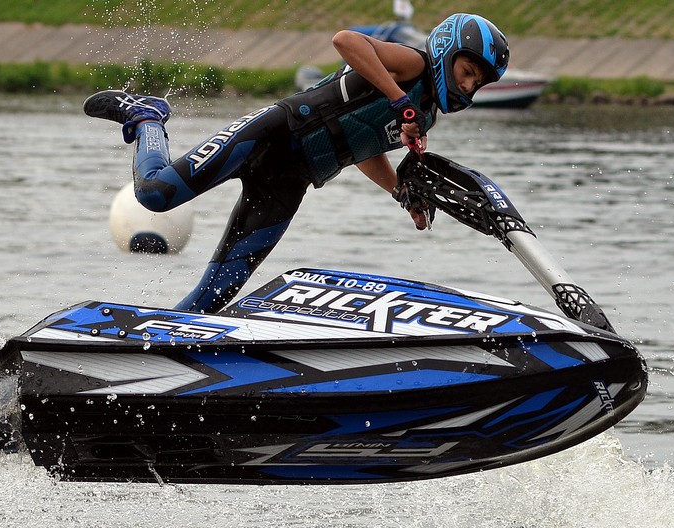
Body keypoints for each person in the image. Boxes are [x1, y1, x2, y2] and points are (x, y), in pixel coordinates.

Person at [82, 13, 510, 314]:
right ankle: (146, 117)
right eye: (467, 71)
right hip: (272, 135)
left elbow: (362, 150)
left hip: (291, 181)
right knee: (156, 193)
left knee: (214, 295)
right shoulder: (412, 65)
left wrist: (401, 193)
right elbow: (346, 41)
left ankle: (153, 353)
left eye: (477, 82)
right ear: (446, 50)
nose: (468, 86)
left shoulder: (425, 115)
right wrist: (398, 99)